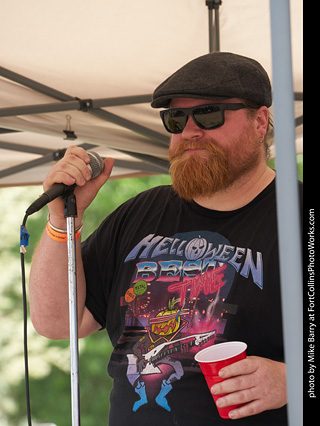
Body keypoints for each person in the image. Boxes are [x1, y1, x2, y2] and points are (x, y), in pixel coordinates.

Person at [29, 52, 302, 425]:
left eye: (209, 115)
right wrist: (61, 222)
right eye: (176, 119)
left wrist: (296, 381)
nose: (190, 131)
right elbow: (58, 322)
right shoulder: (140, 212)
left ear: (260, 121)